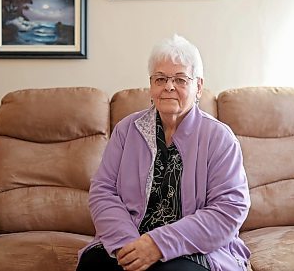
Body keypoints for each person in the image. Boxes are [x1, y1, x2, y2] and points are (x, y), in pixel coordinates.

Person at [76, 34, 250, 271]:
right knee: (93, 264)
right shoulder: (127, 130)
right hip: (129, 240)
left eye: (180, 79)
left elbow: (229, 209)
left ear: (198, 86)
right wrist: (130, 245)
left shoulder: (219, 137)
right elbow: (102, 192)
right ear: (151, 86)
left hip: (193, 248)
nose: (169, 86)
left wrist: (157, 245)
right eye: (160, 79)